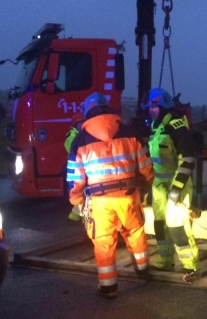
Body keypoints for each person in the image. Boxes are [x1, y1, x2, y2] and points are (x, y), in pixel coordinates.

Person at [66, 92, 154, 298]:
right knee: (134, 231)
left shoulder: (80, 140)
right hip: (128, 194)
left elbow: (75, 176)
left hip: (99, 201)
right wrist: (147, 183)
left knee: (104, 241)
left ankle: (108, 287)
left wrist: (76, 198)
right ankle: (142, 269)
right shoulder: (130, 132)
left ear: (87, 113)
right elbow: (145, 164)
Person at [142, 88, 199, 283]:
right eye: (149, 107)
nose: (151, 111)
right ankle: (164, 259)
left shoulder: (176, 126)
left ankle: (190, 265)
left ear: (164, 107)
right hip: (159, 184)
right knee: (159, 223)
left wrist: (176, 189)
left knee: (176, 225)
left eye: (154, 107)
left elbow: (188, 159)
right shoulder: (156, 127)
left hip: (177, 184)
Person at [64, 111, 85, 221]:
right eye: (80, 123)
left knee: (81, 193)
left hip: (78, 167)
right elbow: (74, 151)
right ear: (75, 124)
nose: (83, 125)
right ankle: (77, 217)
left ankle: (76, 216)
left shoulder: (78, 135)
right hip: (76, 168)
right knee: (78, 192)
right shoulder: (72, 136)